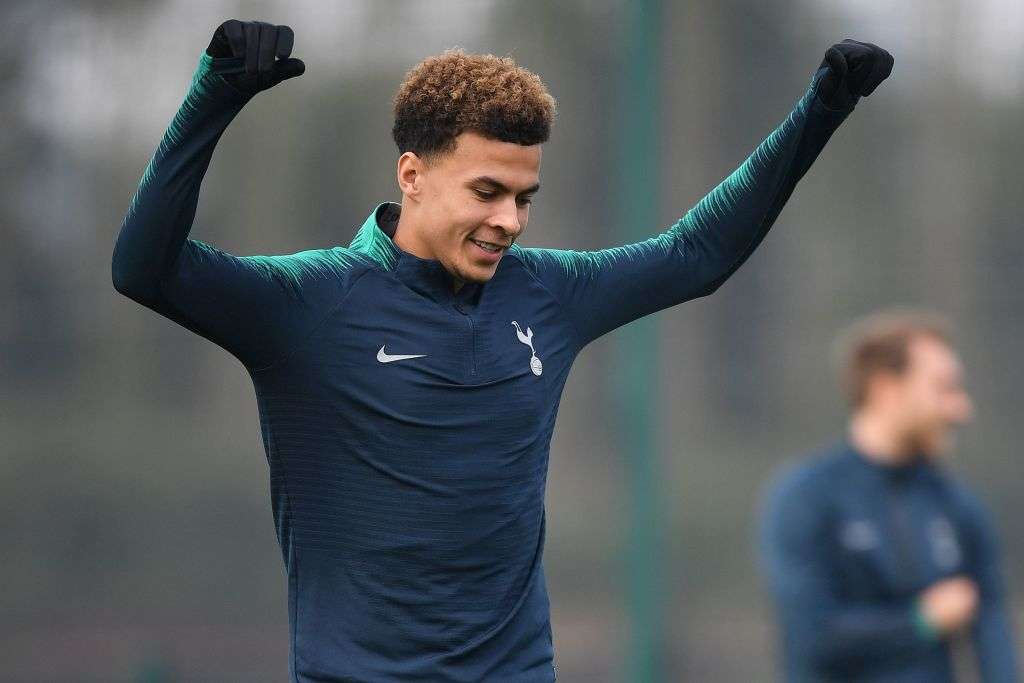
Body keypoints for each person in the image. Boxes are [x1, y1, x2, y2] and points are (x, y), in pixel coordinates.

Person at [112, 19, 892, 682]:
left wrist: (821, 109)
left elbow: (696, 254)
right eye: (487, 192)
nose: (510, 221)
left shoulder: (548, 291)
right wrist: (216, 94)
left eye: (524, 197)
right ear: (413, 175)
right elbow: (144, 269)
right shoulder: (311, 301)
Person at [760, 311, 1019, 682]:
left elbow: (993, 637)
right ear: (886, 388)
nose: (961, 409)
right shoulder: (807, 497)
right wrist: (921, 620)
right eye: (943, 388)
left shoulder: (958, 505)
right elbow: (810, 638)